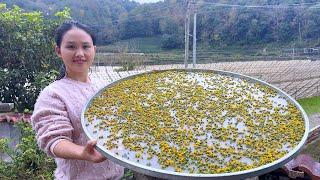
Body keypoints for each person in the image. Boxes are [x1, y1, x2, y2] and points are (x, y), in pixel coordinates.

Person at [31, 20, 124, 180]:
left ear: (94, 50)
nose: (80, 53)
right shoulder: (53, 94)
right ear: (58, 51)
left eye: (86, 47)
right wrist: (82, 152)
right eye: (71, 47)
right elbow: (54, 140)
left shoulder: (103, 87)